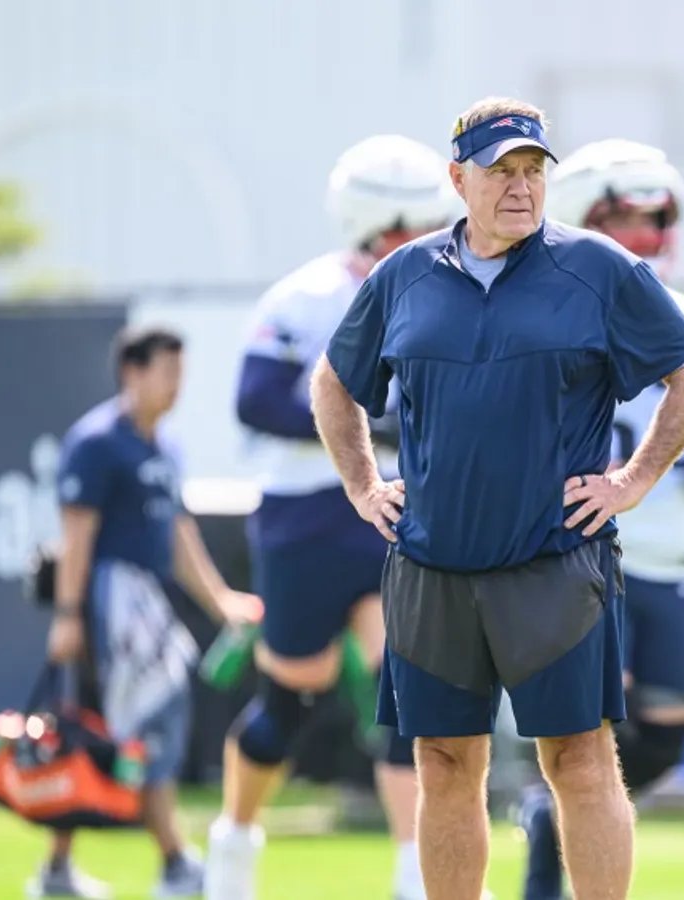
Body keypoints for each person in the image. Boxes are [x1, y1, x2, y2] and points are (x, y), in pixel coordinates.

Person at [310, 97, 684, 900]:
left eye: (534, 171)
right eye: (502, 171)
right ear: (458, 179)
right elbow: (334, 382)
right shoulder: (405, 275)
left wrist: (631, 481)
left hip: (556, 565)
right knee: (444, 760)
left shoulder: (597, 267)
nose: (522, 188)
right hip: (430, 566)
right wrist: (363, 486)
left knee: (579, 758)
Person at [204, 135, 461, 900]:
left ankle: (420, 876)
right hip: (309, 514)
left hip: (399, 510)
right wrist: (367, 419)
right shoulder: (304, 296)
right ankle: (233, 849)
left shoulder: (452, 295)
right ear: (378, 226)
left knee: (410, 694)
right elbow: (256, 398)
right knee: (291, 699)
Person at [513, 138, 684, 900]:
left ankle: (545, 820)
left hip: (667, 558)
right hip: (582, 557)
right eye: (624, 216)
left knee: (665, 740)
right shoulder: (540, 317)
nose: (644, 236)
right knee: (590, 738)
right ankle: (560, 871)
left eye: (656, 218)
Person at [37, 327, 260, 899]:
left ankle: (58, 872)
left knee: (104, 729)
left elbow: (179, 535)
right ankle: (175, 864)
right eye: (167, 371)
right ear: (132, 372)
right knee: (146, 725)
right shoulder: (97, 442)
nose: (176, 385)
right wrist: (68, 614)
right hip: (112, 604)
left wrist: (220, 601)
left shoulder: (165, 445)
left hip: (149, 601)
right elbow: (76, 536)